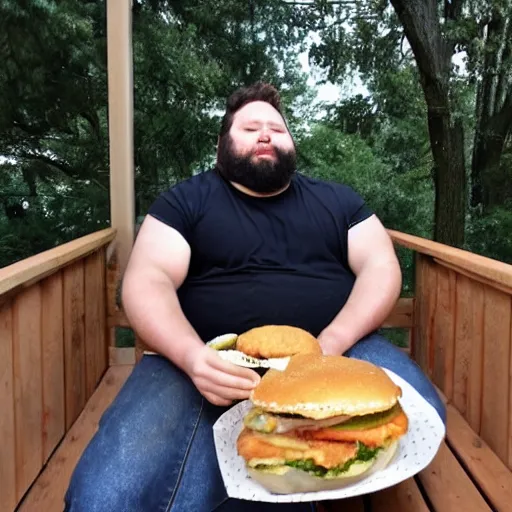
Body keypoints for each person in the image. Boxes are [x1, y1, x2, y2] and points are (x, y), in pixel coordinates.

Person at [64, 82, 446, 512]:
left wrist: (330, 344)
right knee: (105, 496)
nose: (265, 134)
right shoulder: (185, 201)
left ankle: (304, 462)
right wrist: (192, 357)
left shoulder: (338, 201)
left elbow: (381, 266)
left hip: (337, 349)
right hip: (202, 358)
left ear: (291, 144)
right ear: (222, 145)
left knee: (421, 413)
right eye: (250, 128)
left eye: (276, 129)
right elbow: (146, 280)